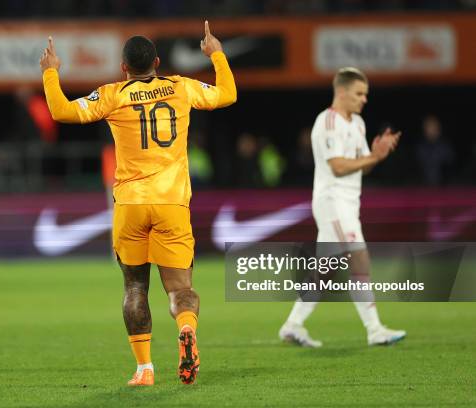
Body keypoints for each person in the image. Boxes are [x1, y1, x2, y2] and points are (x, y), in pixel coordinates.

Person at [40, 21, 236, 385]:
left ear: (123, 67)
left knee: (134, 288)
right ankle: (186, 328)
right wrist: (217, 56)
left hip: (131, 204)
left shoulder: (113, 94)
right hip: (172, 203)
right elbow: (227, 95)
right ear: (158, 62)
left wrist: (51, 72)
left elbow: (63, 112)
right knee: (181, 289)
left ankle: (144, 369)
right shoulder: (181, 88)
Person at [278, 67, 405, 347]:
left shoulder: (357, 124)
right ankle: (374, 330)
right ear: (343, 92)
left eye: (366, 94)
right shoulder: (328, 122)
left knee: (327, 268)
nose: (364, 99)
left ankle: (292, 324)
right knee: (359, 259)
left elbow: (362, 168)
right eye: (359, 94)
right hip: (332, 202)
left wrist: (376, 156)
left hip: (349, 203)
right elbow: (337, 167)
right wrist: (372, 156)